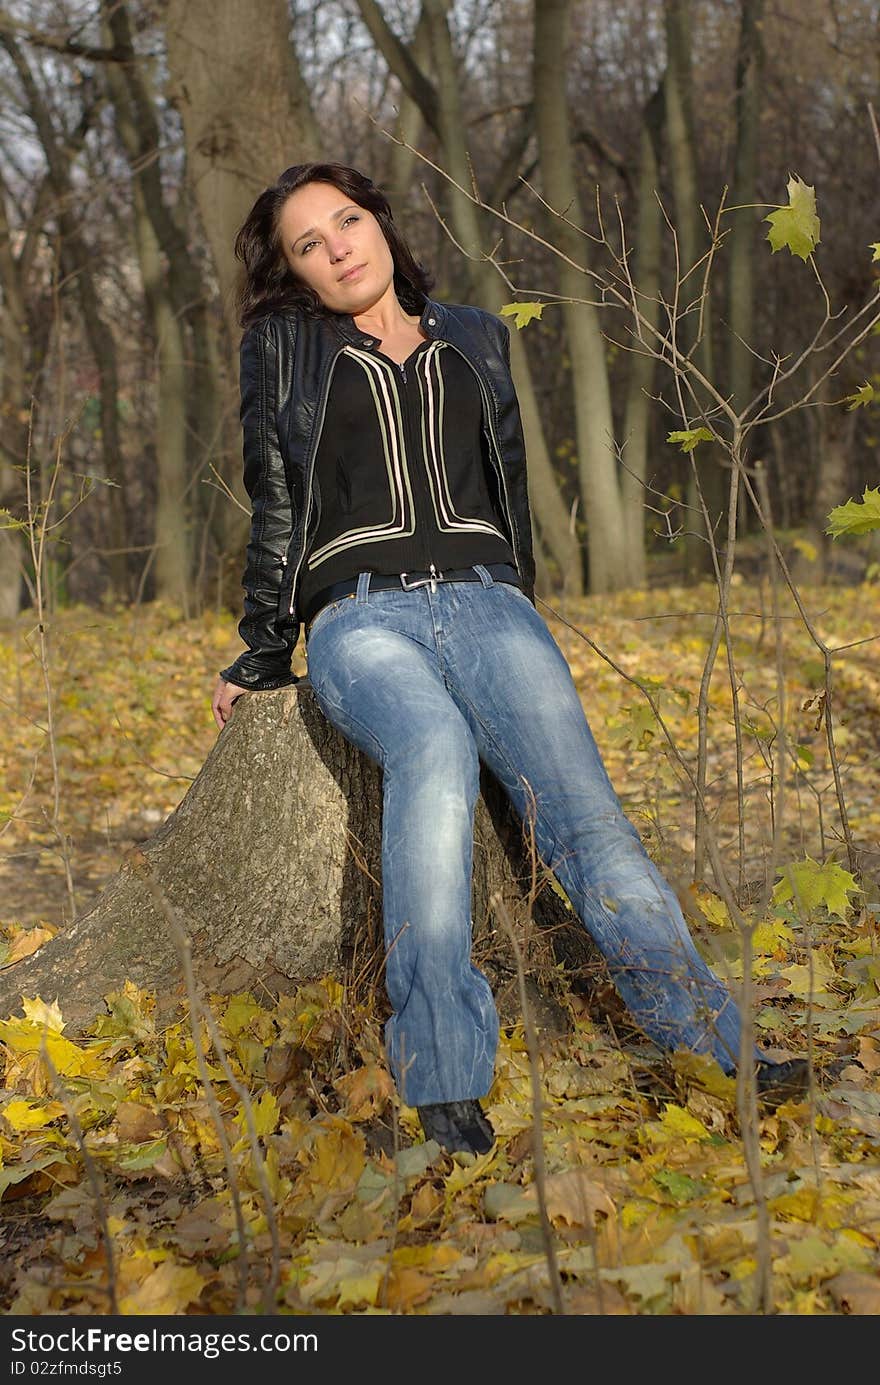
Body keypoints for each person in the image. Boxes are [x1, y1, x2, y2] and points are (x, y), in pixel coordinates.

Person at [211, 162, 807, 1155]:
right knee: (434, 750)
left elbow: (512, 482)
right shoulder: (284, 349)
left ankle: (721, 1047)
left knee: (589, 824)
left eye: (345, 221)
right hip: (361, 619)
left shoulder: (477, 338)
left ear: (383, 225)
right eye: (307, 245)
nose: (336, 248)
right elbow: (275, 496)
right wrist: (265, 646)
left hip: (490, 605)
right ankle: (444, 1073)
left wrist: (514, 601)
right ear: (296, 274)